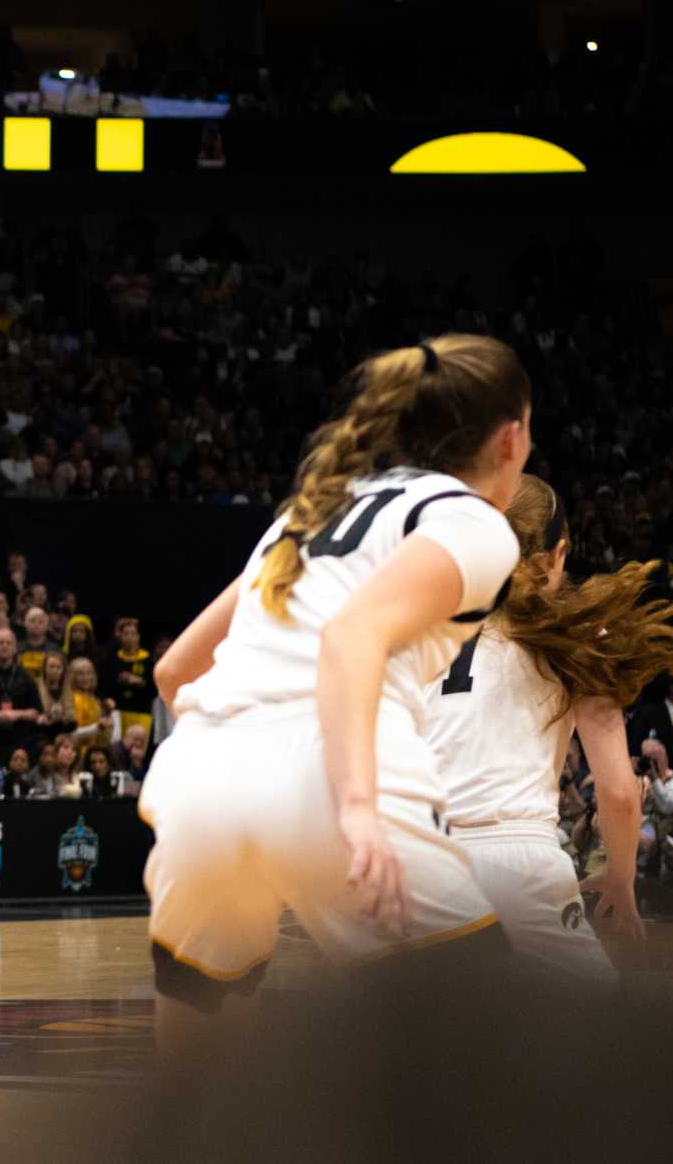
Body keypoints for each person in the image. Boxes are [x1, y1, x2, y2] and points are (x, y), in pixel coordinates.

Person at [143, 336, 532, 1043]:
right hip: (330, 774)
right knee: (496, 1058)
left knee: (194, 1089)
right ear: (510, 438)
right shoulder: (472, 520)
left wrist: (243, 791)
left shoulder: (308, 510)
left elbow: (175, 671)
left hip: (198, 774)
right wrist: (351, 809)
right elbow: (350, 635)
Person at [424, 476, 671, 979]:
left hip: (422, 866)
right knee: (597, 1042)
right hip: (518, 861)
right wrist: (621, 879)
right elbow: (620, 793)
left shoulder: (424, 631)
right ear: (557, 554)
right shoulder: (574, 635)